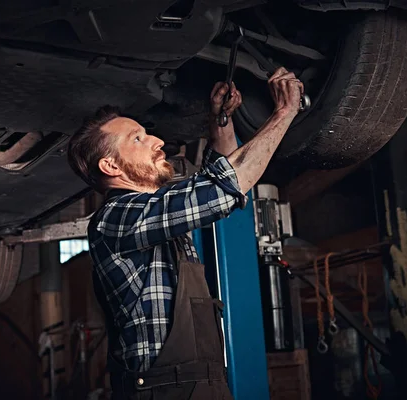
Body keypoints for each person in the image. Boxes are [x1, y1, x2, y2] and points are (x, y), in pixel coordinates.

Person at [67, 67, 304, 399]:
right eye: (137, 138)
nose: (158, 140)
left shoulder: (157, 214)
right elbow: (222, 189)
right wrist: (285, 112)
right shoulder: (116, 218)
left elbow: (211, 182)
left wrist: (220, 122)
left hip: (203, 386)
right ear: (111, 166)